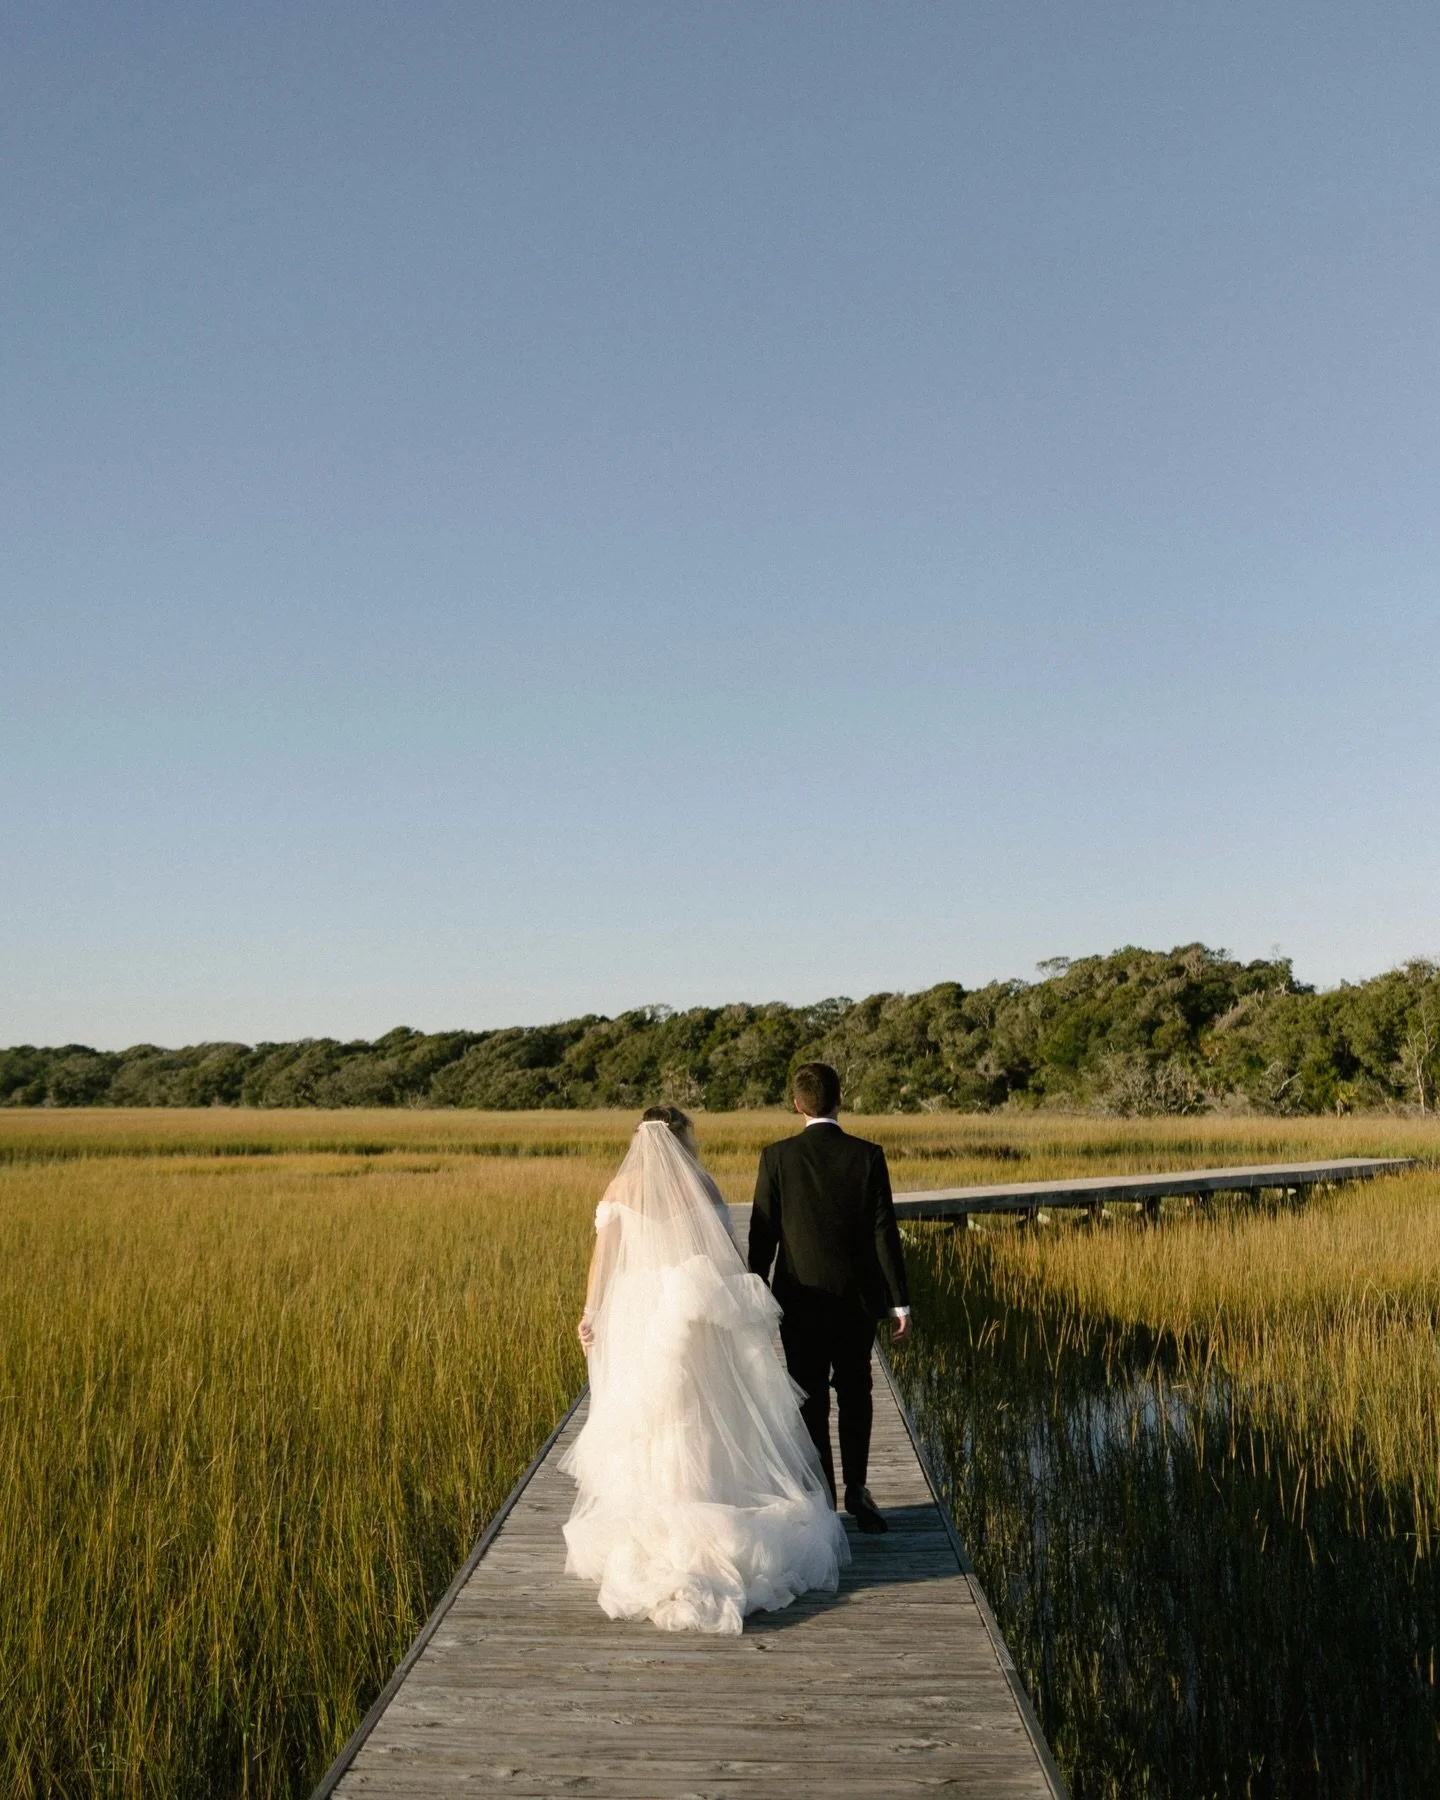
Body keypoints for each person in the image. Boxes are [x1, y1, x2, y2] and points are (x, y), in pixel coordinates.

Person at [561, 1105, 849, 1635]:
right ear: (683, 1139)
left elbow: (604, 1259)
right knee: (704, 1409)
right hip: (697, 1311)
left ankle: (666, 1510)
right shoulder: (705, 1185)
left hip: (642, 1313)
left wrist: (590, 1313)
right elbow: (730, 1259)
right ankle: (712, 1499)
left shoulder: (623, 1186)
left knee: (655, 1413)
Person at [748, 1063, 910, 1535]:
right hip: (857, 1301)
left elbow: (763, 1234)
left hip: (799, 1303)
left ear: (797, 1104)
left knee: (810, 1397)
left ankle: (823, 1500)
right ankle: (858, 1488)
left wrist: (754, 1293)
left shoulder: (776, 1157)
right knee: (856, 1393)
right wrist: (900, 1302)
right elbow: (885, 1233)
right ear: (840, 1099)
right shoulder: (867, 1156)